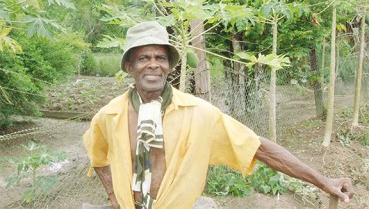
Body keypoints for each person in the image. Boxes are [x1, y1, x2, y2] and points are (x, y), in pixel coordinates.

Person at [83, 21, 353, 209]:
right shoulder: (110, 116)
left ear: (169, 66)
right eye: (143, 58)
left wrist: (323, 181)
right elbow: (97, 156)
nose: (153, 64)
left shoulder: (198, 113)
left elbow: (260, 148)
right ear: (129, 66)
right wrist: (114, 195)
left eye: (160, 57)